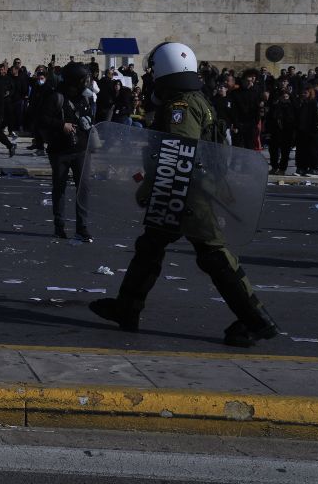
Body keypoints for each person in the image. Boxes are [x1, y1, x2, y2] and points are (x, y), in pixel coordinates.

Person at [90, 42, 279, 348]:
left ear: (165, 69)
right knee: (150, 246)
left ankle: (256, 320)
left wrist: (148, 187)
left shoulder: (181, 105)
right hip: (182, 189)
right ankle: (127, 307)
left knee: (214, 255)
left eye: (154, 69)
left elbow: (178, 152)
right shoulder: (196, 99)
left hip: (186, 193)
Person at [40, 61, 94, 241]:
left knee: (83, 189)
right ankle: (59, 224)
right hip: (60, 151)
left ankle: (82, 226)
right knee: (59, 187)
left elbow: (90, 119)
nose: (86, 83)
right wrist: (61, 125)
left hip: (81, 150)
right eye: (83, 80)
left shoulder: (85, 97)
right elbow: (42, 120)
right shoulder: (56, 98)